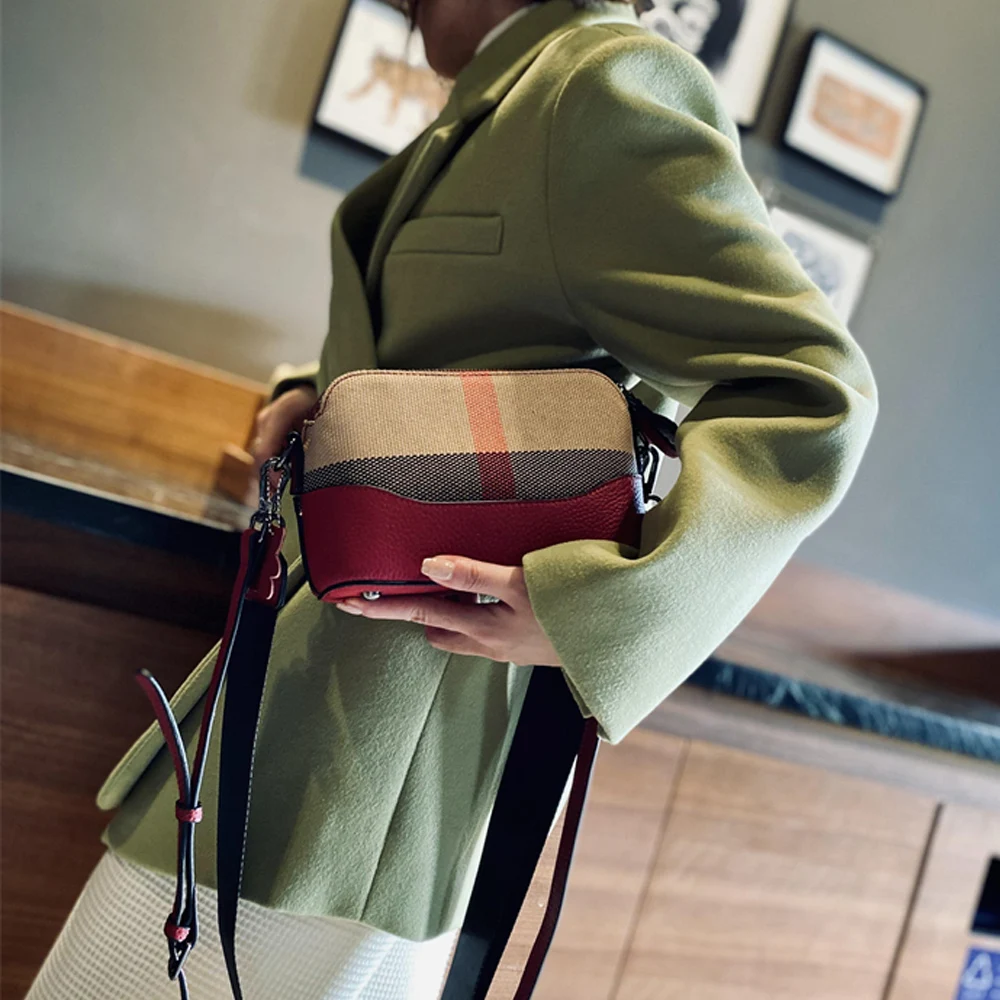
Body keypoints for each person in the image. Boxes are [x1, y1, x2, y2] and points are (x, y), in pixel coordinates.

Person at [27, 0, 877, 997]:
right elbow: (469, 353)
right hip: (311, 696)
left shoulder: (602, 88)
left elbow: (813, 389)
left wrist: (604, 606)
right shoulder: (510, 93)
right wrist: (317, 393)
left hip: (377, 749)